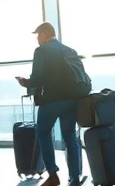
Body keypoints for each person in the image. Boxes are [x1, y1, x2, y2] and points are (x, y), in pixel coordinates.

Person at [16, 22, 83, 186]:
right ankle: (75, 177)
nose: (37, 39)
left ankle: (53, 175)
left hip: (51, 100)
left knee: (43, 133)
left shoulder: (41, 51)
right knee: (70, 137)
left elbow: (38, 77)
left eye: (38, 35)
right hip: (71, 100)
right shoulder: (70, 50)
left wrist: (26, 82)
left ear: (45, 34)